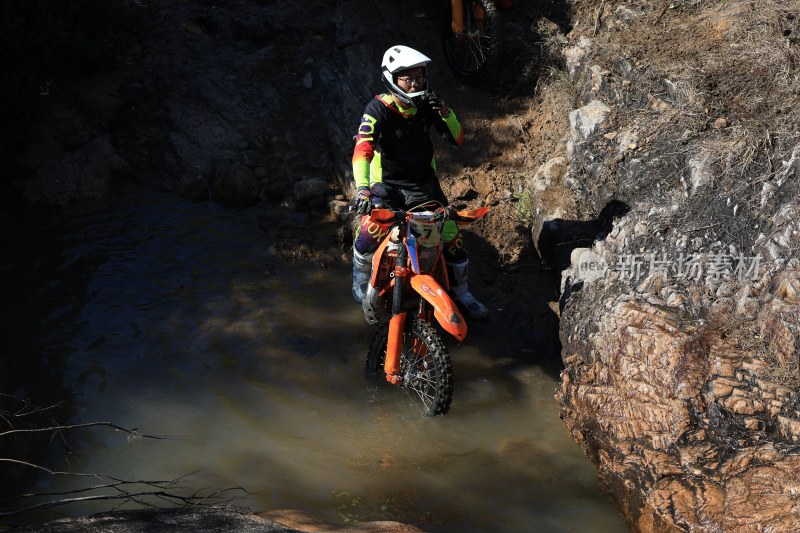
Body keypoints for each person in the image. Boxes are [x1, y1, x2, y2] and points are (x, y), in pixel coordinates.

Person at [349, 45, 488, 319]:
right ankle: (360, 277)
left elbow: (457, 138)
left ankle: (461, 292)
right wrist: (363, 190)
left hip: (422, 185)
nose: (415, 83)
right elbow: (362, 150)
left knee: (451, 236)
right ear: (392, 79)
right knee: (369, 231)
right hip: (386, 185)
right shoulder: (377, 109)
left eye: (419, 76)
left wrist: (447, 113)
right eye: (408, 78)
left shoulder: (428, 103)